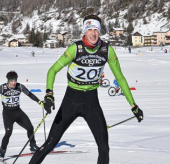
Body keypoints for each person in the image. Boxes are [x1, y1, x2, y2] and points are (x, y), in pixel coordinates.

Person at [29, 14, 143, 164]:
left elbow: (120, 78)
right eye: (90, 29)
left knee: (104, 148)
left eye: (96, 29)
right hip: (71, 100)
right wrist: (49, 94)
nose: (93, 33)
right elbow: (52, 70)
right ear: (84, 31)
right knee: (50, 144)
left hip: (91, 102)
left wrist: (133, 105)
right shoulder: (75, 49)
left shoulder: (107, 50)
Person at [0, 71, 44, 162]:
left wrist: (39, 102)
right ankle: (1, 153)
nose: (13, 83)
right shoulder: (3, 88)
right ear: (8, 81)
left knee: (30, 127)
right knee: (8, 132)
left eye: (15, 80)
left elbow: (30, 94)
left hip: (18, 112)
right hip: (7, 114)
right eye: (12, 81)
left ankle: (33, 146)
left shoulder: (20, 86)